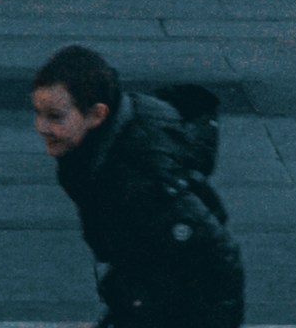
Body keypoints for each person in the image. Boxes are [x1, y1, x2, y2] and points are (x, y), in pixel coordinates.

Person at [31, 40, 245, 328]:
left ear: (96, 114)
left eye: (55, 116)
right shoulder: (96, 150)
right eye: (39, 113)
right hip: (145, 300)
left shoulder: (140, 175)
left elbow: (217, 258)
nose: (41, 126)